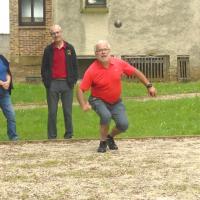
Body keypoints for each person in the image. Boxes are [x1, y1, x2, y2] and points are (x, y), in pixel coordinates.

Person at [77, 40, 156, 153]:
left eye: (105, 50)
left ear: (109, 51)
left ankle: (109, 137)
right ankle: (102, 142)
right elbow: (80, 88)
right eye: (100, 51)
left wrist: (149, 86)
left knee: (123, 125)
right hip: (98, 100)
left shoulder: (119, 63)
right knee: (106, 116)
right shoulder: (92, 70)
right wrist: (83, 104)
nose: (103, 53)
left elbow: (135, 72)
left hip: (116, 102)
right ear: (96, 54)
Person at [41, 24, 78, 139]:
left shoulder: (69, 48)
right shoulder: (48, 50)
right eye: (53, 33)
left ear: (61, 33)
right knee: (52, 112)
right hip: (53, 84)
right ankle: (52, 136)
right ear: (51, 35)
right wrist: (47, 82)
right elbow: (44, 68)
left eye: (57, 32)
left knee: (67, 111)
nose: (56, 35)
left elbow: (75, 66)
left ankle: (69, 135)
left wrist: (73, 81)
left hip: (67, 84)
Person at [0, 54, 19, 141]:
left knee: (11, 115)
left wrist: (8, 81)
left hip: (4, 94)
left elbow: (7, 72)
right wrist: (1, 83)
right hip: (2, 87)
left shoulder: (2, 58)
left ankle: (13, 137)